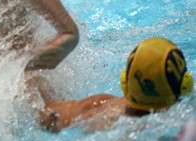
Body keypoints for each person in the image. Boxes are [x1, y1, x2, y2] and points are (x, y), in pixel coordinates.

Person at [29, 36, 193, 132]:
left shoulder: (99, 108)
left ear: (125, 81)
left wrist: (25, 71)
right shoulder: (184, 124)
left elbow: (48, 115)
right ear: (185, 84)